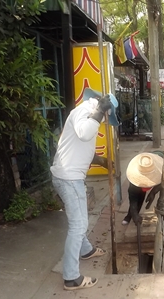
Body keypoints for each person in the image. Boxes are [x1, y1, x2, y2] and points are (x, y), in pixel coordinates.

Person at [50, 87, 120, 291]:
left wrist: (101, 160)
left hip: (70, 176)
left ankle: (86, 250)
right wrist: (99, 112)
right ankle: (71, 278)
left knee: (79, 220)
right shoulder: (86, 112)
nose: (106, 122)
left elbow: (81, 145)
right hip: (69, 178)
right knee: (78, 225)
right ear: (105, 110)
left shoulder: (88, 115)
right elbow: (83, 133)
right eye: (108, 117)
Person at [122, 152, 164, 226]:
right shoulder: (134, 180)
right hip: (139, 183)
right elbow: (133, 200)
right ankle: (130, 216)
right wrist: (134, 213)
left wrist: (153, 192)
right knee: (138, 198)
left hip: (161, 167)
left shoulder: (162, 168)